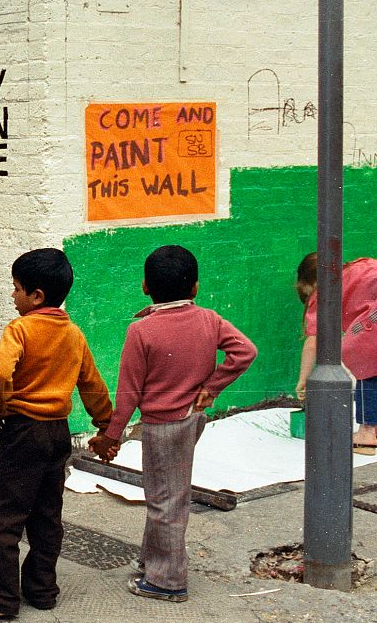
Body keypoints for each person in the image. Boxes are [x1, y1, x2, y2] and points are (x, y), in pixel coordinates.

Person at [89, 245, 256, 603]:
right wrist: (211, 386)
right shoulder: (210, 319)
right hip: (191, 419)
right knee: (165, 494)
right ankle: (153, 561)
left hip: (162, 426)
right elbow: (245, 351)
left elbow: (129, 393)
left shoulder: (142, 331)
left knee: (166, 500)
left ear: (145, 286)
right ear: (195, 287)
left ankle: (168, 581)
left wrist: (111, 436)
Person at [0, 248, 113, 619]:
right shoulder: (73, 334)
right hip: (58, 434)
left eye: (16, 289)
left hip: (23, 432)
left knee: (6, 516)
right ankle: (42, 590)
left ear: (36, 296)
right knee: (46, 515)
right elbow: (92, 385)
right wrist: (106, 426)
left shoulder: (20, 329)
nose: (12, 296)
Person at [294, 252, 377, 453]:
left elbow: (313, 340)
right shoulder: (354, 271)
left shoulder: (325, 290)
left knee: (365, 362)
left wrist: (303, 378)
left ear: (310, 282)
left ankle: (366, 433)